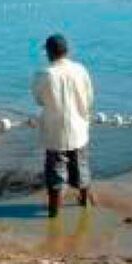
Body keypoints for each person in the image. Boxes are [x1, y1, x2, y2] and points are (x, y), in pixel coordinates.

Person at [32, 34, 94, 218]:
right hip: (79, 129)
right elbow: (89, 98)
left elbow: (38, 99)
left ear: (49, 53)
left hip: (55, 131)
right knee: (81, 166)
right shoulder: (81, 70)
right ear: (67, 51)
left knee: (55, 174)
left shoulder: (44, 74)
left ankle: (53, 216)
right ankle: (85, 203)